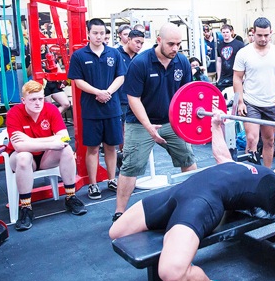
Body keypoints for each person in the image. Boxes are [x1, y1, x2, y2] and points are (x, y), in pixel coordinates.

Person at [109, 112, 275, 281]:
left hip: (202, 201)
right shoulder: (258, 170)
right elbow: (224, 160)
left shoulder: (273, 190)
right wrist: (216, 126)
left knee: (172, 272)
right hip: (179, 192)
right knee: (116, 231)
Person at [113, 23, 197, 222]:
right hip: (141, 123)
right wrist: (149, 126)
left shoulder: (182, 62)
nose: (175, 48)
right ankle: (119, 212)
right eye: (171, 44)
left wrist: (188, 121)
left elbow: (188, 94)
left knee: (188, 159)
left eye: (178, 44)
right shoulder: (141, 63)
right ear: (159, 41)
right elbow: (133, 98)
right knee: (130, 166)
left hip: (172, 121)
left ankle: (195, 202)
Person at [6, 80, 86, 231]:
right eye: (33, 99)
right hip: (21, 158)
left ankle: (70, 197)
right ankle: (26, 208)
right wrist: (50, 142)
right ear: (23, 100)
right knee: (24, 157)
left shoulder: (51, 109)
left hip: (45, 157)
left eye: (40, 98)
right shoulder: (14, 113)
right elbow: (19, 146)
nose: (38, 103)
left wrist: (31, 141)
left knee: (67, 150)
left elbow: (64, 138)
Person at [68, 18, 126, 200]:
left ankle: (111, 179)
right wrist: (97, 93)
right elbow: (77, 81)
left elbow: (121, 77)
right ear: (89, 33)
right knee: (92, 148)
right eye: (95, 33)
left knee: (111, 146)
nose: (99, 36)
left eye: (102, 33)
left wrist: (107, 92)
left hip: (112, 108)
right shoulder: (79, 56)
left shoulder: (114, 54)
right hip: (91, 110)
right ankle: (93, 184)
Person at [233, 17, 275, 167]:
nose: (263, 39)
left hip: (271, 102)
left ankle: (267, 175)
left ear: (271, 33)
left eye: (266, 35)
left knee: (269, 141)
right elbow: (237, 78)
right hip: (250, 102)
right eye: (260, 35)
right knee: (251, 140)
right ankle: (250, 176)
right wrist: (240, 101)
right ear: (253, 33)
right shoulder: (244, 53)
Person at [118, 29, 145, 119]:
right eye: (137, 42)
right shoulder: (116, 54)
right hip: (119, 100)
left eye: (141, 43)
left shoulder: (140, 59)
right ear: (129, 40)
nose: (139, 46)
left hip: (136, 100)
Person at [216, 24, 245, 91]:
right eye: (223, 32)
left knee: (236, 99)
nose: (225, 34)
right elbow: (219, 61)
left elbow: (245, 60)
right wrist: (218, 77)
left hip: (236, 77)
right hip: (223, 79)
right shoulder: (220, 45)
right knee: (223, 99)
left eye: (227, 32)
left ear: (231, 32)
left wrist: (244, 76)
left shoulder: (239, 44)